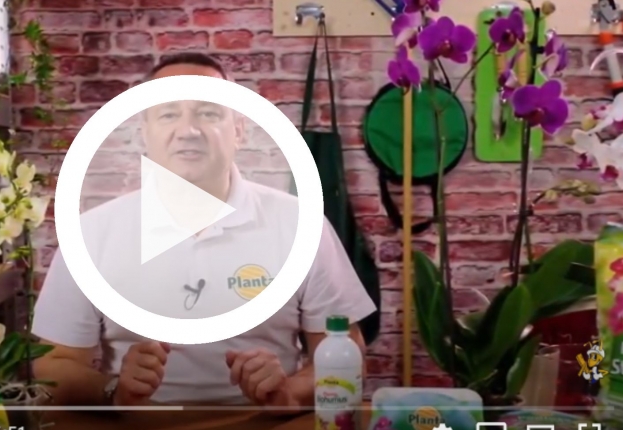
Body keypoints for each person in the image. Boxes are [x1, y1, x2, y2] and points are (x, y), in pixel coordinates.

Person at [31, 52, 376, 411]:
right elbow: (53, 366)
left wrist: (289, 393)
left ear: (238, 130)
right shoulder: (91, 233)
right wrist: (114, 391)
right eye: (168, 114)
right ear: (145, 133)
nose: (189, 131)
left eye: (209, 113)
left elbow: (348, 355)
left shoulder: (300, 224)